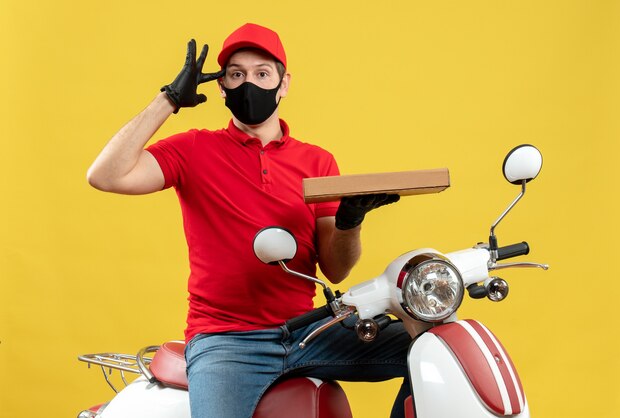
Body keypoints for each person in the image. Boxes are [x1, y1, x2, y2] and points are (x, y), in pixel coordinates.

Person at [87, 23, 410, 418]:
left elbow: (336, 270)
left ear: (284, 83)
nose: (249, 84)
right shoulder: (193, 149)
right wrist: (168, 99)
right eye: (236, 75)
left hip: (309, 331)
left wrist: (350, 221)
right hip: (226, 340)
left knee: (430, 347)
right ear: (221, 86)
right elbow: (105, 175)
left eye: (262, 74)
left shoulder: (318, 162)